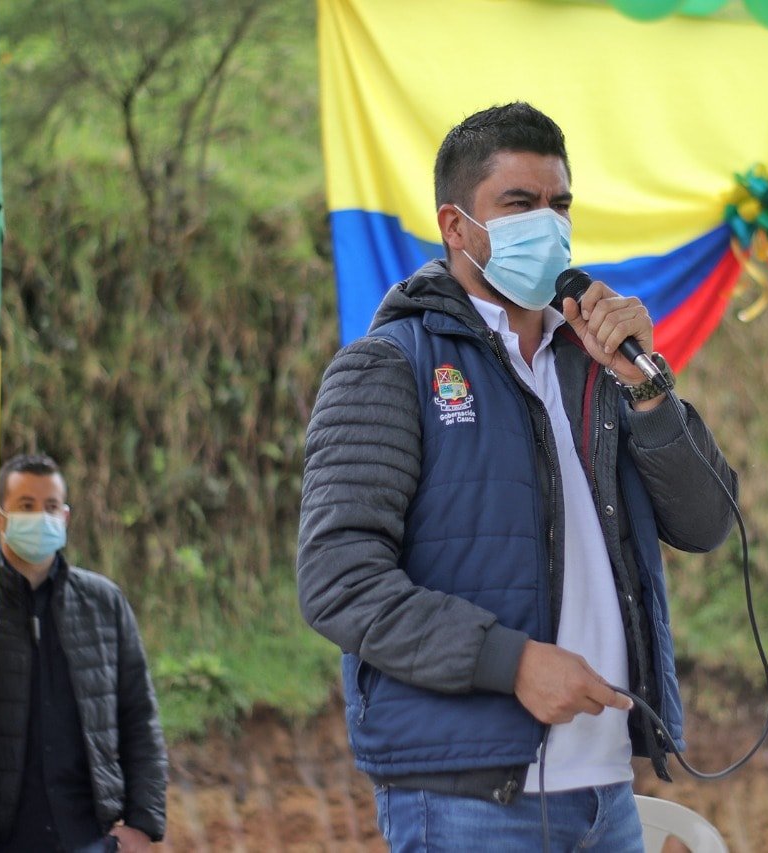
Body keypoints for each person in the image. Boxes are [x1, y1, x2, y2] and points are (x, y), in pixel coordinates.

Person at [296, 101, 738, 851]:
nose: (550, 225)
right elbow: (338, 580)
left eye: (560, 204)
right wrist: (512, 663)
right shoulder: (389, 366)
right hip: (470, 798)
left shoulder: (599, 366)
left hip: (606, 793)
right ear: (457, 226)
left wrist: (648, 385)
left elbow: (706, 521)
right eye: (520, 204)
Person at [0, 453, 167, 852]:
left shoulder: (103, 602)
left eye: (51, 506)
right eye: (26, 506)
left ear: (66, 516)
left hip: (88, 836)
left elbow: (140, 719)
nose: (41, 517)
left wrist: (142, 824)